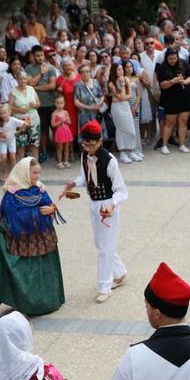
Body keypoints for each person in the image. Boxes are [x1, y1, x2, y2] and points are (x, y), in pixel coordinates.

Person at [0, 158, 66, 316]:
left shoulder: (39, 189)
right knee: (26, 270)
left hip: (42, 237)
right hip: (21, 239)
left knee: (44, 269)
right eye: (34, 173)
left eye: (38, 173)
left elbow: (48, 205)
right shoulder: (12, 192)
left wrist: (51, 209)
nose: (37, 176)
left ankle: (48, 300)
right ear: (25, 173)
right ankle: (27, 303)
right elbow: (2, 210)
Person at [60, 122, 128, 304]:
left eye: (91, 144)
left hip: (107, 205)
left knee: (105, 248)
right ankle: (120, 273)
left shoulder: (110, 161)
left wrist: (112, 205)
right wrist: (73, 183)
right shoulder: (85, 155)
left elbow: (121, 190)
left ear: (99, 142)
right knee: (101, 243)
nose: (88, 148)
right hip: (93, 203)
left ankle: (105, 286)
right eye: (85, 144)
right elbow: (85, 177)